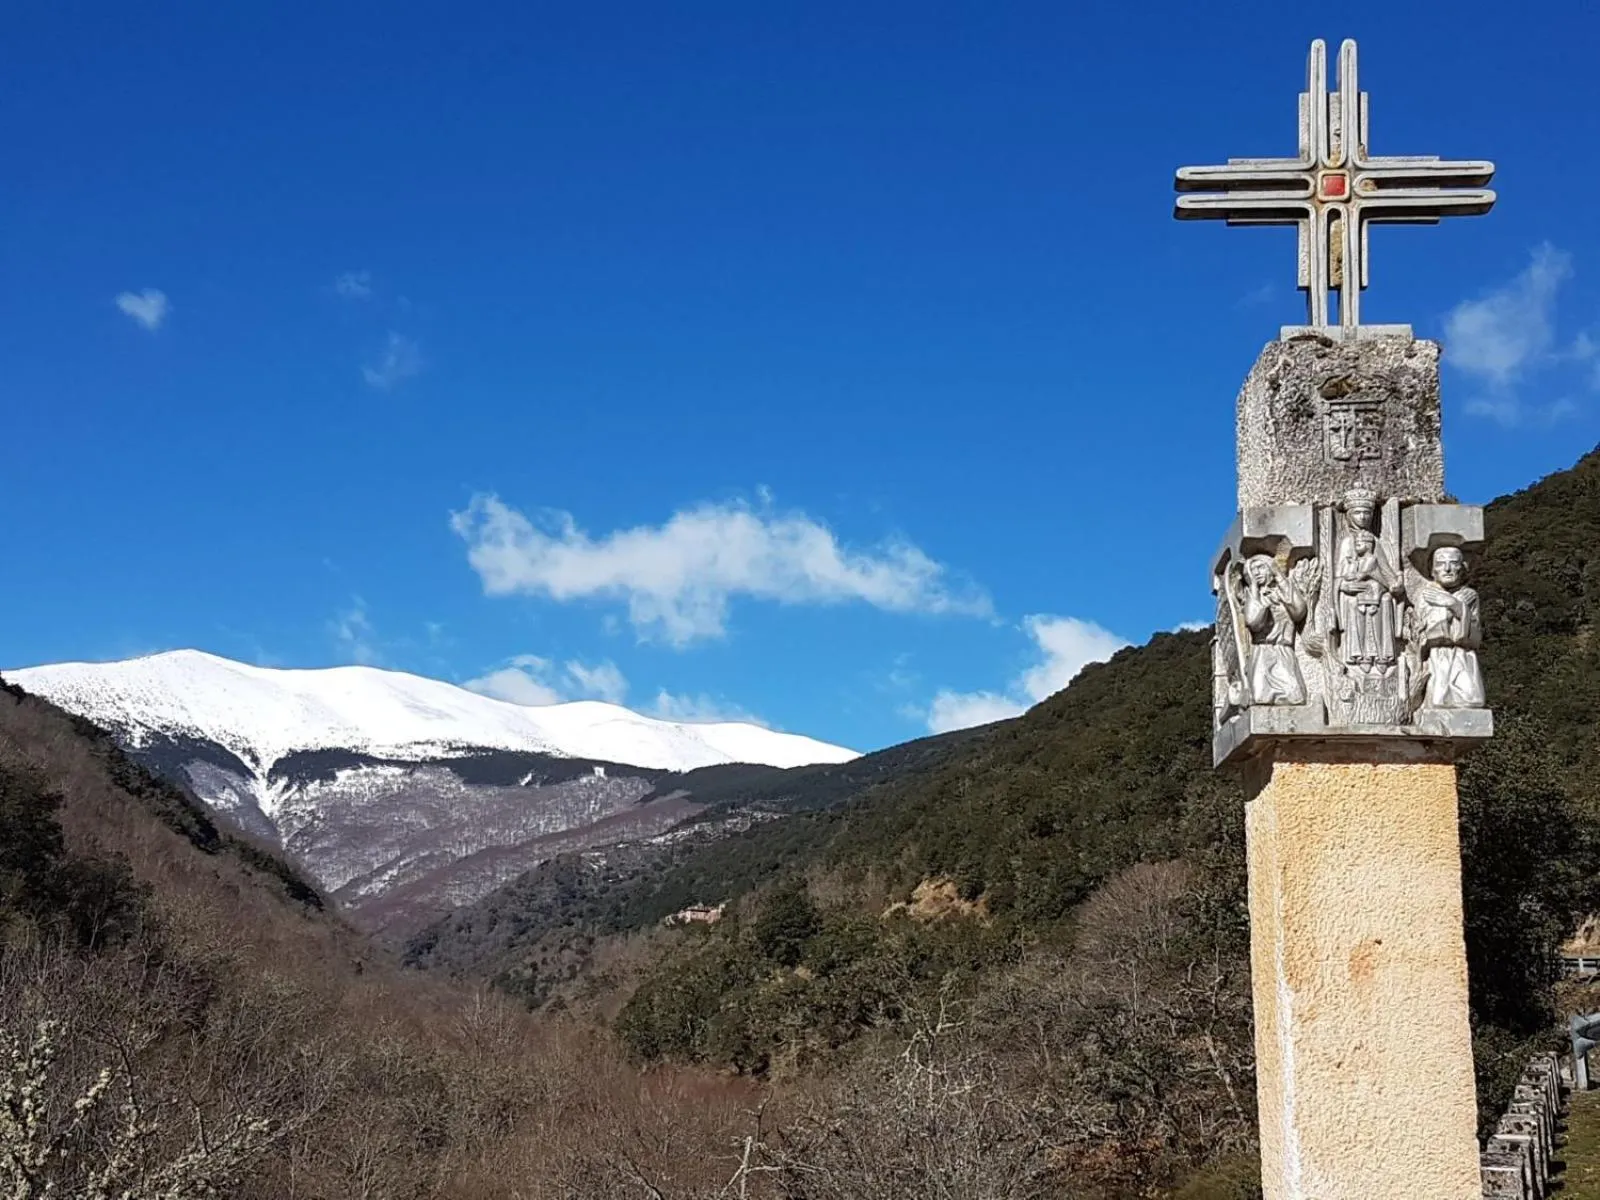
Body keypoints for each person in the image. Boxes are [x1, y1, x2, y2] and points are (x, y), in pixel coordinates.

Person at [1411, 546, 1485, 708]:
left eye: (1454, 563)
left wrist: (1455, 605)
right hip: (1437, 657)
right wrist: (1452, 609)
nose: (1447, 569)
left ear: (1462, 568)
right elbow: (1423, 632)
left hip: (1463, 657)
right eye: (1440, 563)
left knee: (1472, 702)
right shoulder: (1426, 595)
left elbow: (1476, 636)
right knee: (1438, 701)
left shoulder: (1469, 595)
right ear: (1432, 571)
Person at [1240, 554, 1307, 705]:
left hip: (1283, 652)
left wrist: (1279, 576)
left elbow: (1299, 611)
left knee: (1296, 697)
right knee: (1260, 698)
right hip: (1262, 654)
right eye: (1252, 570)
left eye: (1261, 567)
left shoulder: (1282, 592)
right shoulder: (1252, 596)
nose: (1257, 572)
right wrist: (1254, 589)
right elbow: (1253, 621)